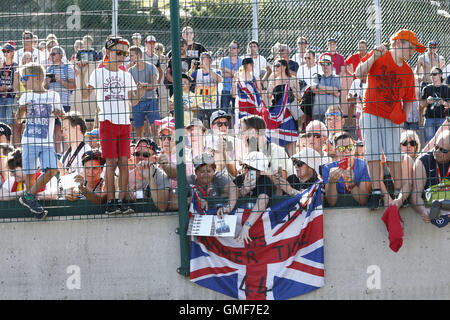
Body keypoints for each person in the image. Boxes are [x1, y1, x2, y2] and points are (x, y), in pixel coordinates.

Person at [355, 29, 425, 210]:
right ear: (399, 43)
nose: (411, 53)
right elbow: (358, 73)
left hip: (392, 117)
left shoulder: (408, 72)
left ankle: (398, 190)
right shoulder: (379, 56)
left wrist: (403, 116)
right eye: (410, 48)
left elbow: (410, 99)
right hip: (370, 110)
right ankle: (377, 191)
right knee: (372, 153)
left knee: (394, 154)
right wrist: (372, 57)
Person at [81, 36, 145, 215]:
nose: (123, 56)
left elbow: (132, 102)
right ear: (108, 52)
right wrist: (80, 76)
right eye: (119, 52)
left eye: (125, 53)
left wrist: (141, 90)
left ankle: (123, 199)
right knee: (111, 162)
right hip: (107, 121)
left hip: (125, 122)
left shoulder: (126, 75)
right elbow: (85, 95)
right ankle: (111, 201)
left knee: (124, 162)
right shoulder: (99, 73)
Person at [16, 63, 64, 218]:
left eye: (24, 78)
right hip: (29, 141)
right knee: (29, 174)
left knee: (52, 170)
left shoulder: (53, 95)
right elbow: (18, 119)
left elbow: (62, 115)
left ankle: (28, 196)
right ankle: (34, 206)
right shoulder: (25, 96)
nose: (22, 82)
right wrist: (21, 110)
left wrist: (58, 112)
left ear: (37, 78)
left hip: (46, 142)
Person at [322, 131, 371, 207]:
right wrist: (332, 182)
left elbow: (363, 201)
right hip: (337, 210)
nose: (347, 151)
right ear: (335, 151)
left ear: (354, 148)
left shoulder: (364, 165)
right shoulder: (328, 168)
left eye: (350, 147)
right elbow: (331, 203)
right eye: (341, 148)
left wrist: (352, 184)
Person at [234, 151, 273, 244]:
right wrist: (243, 191)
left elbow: (262, 203)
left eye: (251, 168)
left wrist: (246, 226)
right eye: (245, 167)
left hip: (258, 229)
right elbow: (226, 197)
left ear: (259, 172)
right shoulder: (240, 179)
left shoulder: (264, 181)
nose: (246, 170)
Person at [412, 130, 450, 223]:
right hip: (431, 208)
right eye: (436, 147)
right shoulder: (423, 161)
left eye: (443, 150)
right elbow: (415, 195)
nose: (437, 151)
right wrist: (423, 211)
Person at [128, 138, 171, 211]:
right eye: (137, 154)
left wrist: (150, 178)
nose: (140, 157)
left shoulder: (161, 176)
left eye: (146, 155)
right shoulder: (127, 176)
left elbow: (162, 207)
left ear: (154, 158)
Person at [128, 46, 160, 139]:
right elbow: (131, 90)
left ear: (139, 55)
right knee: (139, 132)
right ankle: (139, 151)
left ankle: (156, 148)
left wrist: (144, 86)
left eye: (131, 55)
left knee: (155, 130)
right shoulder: (130, 71)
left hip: (151, 100)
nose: (130, 58)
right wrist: (141, 88)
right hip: (138, 102)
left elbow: (155, 85)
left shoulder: (151, 67)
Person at [189, 51, 223, 127]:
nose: (201, 60)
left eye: (203, 58)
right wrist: (191, 69)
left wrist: (207, 69)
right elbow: (186, 81)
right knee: (196, 125)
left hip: (212, 104)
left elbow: (220, 80)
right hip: (199, 104)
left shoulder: (216, 71)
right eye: (200, 58)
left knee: (213, 126)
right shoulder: (197, 72)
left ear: (210, 60)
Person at [234, 57, 266, 129]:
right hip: (242, 104)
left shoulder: (255, 77)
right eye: (251, 64)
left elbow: (260, 91)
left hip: (253, 103)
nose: (253, 66)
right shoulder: (238, 77)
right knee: (243, 121)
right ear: (246, 65)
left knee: (255, 121)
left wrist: (254, 93)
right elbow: (234, 93)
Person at [420, 66, 450, 142]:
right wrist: (427, 101)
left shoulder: (446, 89)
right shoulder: (426, 88)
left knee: (442, 142)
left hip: (442, 118)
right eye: (431, 74)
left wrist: (443, 102)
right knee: (429, 142)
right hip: (429, 118)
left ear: (440, 75)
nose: (432, 76)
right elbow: (421, 104)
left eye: (435, 74)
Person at [311, 54, 341, 121]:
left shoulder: (337, 77)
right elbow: (314, 90)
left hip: (333, 112)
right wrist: (331, 91)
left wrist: (318, 86)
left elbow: (337, 91)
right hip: (318, 112)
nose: (325, 66)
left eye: (327, 63)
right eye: (323, 64)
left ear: (331, 65)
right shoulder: (316, 76)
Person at [220, 41, 242, 114]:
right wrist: (235, 73)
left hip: (237, 89)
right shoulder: (223, 60)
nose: (231, 49)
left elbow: (240, 74)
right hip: (226, 89)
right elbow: (222, 74)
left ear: (238, 49)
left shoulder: (241, 60)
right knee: (223, 111)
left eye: (234, 48)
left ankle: (234, 125)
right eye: (230, 48)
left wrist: (226, 70)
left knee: (236, 112)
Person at [0, 42, 18, 126]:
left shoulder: (15, 66)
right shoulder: (1, 65)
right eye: (4, 51)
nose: (6, 53)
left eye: (8, 51)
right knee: (1, 123)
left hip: (11, 97)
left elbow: (16, 83)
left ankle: (10, 139)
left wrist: (8, 87)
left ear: (13, 53)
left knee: (10, 123)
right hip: (1, 96)